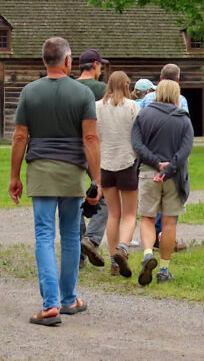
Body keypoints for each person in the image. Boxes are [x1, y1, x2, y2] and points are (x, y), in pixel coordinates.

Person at [9, 37, 101, 326]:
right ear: (67, 61)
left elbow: (20, 137)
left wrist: (14, 176)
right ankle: (69, 298)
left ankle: (49, 305)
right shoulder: (82, 94)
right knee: (71, 234)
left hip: (40, 171)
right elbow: (90, 138)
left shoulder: (29, 92)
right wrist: (95, 179)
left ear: (44, 61)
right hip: (72, 172)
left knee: (44, 236)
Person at [131, 80, 193, 286]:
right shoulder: (183, 119)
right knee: (169, 222)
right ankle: (164, 270)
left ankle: (148, 254)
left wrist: (156, 164)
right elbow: (185, 151)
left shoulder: (143, 115)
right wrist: (167, 168)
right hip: (174, 176)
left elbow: (137, 145)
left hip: (149, 173)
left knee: (147, 218)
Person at [96, 70, 140, 278]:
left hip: (105, 163)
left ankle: (114, 260)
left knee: (113, 214)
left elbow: (95, 135)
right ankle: (123, 247)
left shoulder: (97, 106)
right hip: (127, 162)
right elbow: (137, 134)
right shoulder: (133, 107)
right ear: (125, 85)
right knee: (130, 213)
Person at [141, 64, 189, 251]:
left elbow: (141, 127)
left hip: (151, 157)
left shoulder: (147, 100)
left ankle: (151, 238)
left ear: (160, 79)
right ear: (178, 80)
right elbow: (186, 130)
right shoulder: (181, 100)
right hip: (174, 158)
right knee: (171, 205)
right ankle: (167, 239)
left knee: (150, 206)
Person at [75, 48, 109, 267]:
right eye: (101, 66)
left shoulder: (69, 87)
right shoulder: (103, 89)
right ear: (95, 65)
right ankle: (92, 239)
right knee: (104, 196)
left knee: (74, 198)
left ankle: (77, 252)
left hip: (71, 149)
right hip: (96, 146)